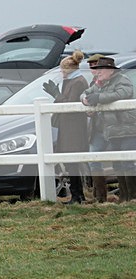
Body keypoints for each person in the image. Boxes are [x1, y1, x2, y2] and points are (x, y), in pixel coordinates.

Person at [81, 56, 136, 202]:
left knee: (127, 162)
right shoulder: (100, 83)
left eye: (101, 69)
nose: (97, 73)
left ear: (110, 70)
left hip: (127, 128)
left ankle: (132, 196)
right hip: (112, 130)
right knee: (117, 163)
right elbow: (85, 93)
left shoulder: (122, 80)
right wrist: (85, 99)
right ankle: (124, 196)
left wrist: (98, 97)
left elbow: (121, 94)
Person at [43, 50, 89, 204]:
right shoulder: (72, 81)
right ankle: (77, 195)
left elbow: (69, 104)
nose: (61, 73)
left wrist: (56, 94)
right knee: (71, 163)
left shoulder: (77, 82)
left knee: (73, 162)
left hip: (74, 128)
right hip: (69, 127)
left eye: (63, 70)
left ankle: (78, 196)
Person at [84, 54, 110, 202]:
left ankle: (128, 195)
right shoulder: (92, 83)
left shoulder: (111, 81)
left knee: (122, 160)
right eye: (91, 66)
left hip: (112, 126)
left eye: (96, 66)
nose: (93, 69)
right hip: (97, 127)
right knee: (93, 159)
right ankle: (100, 196)